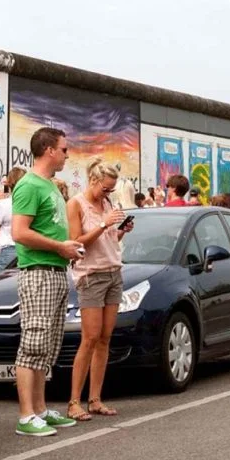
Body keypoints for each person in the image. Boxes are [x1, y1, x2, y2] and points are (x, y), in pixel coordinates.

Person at [10, 127, 84, 437]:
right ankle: (26, 415)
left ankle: (40, 409)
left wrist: (69, 248)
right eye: (64, 149)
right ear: (49, 150)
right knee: (33, 341)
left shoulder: (51, 186)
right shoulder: (28, 185)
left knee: (48, 344)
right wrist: (59, 247)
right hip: (38, 271)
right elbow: (19, 232)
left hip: (55, 270)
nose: (68, 154)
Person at [66, 158, 132, 421]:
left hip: (113, 271)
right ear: (93, 180)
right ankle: (73, 402)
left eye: (111, 190)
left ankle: (95, 399)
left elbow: (108, 240)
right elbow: (76, 243)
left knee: (105, 337)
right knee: (90, 337)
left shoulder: (107, 203)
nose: (108, 193)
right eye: (105, 188)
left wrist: (121, 231)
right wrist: (104, 224)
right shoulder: (76, 204)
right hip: (90, 275)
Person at [0, 167, 27, 275]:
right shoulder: (31, 202)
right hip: (27, 250)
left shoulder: (4, 204)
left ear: (9, 184)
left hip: (9, 251)